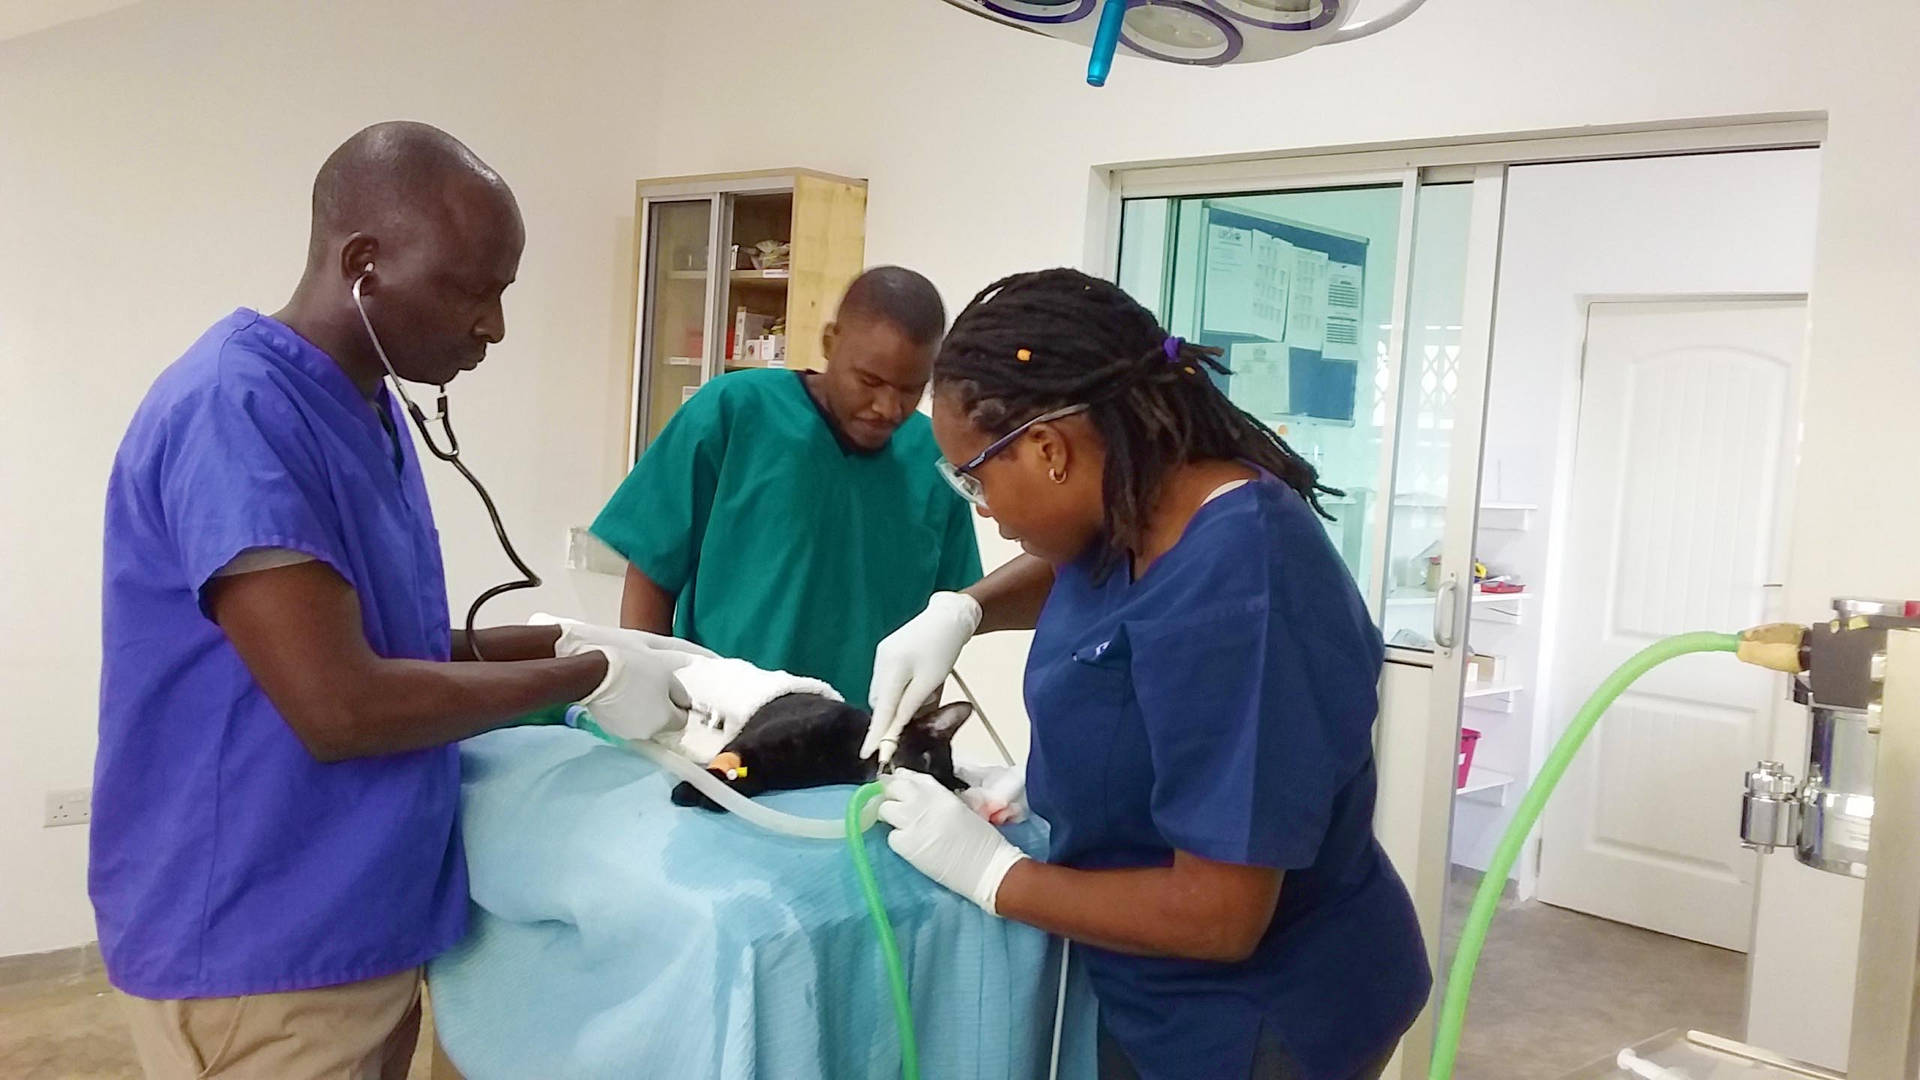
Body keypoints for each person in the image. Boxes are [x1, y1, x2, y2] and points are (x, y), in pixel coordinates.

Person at [94, 122, 704, 1080]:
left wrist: (572, 640)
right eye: (472, 289)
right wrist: (588, 677)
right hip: (261, 945)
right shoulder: (236, 410)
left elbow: (393, 647)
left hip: (360, 920)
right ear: (365, 265)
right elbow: (341, 706)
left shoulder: (361, 403)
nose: (493, 326)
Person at [864, 269, 1431, 1080]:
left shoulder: (1243, 582)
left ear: (1050, 449)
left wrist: (994, 874)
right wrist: (961, 612)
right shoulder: (1142, 501)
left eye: (975, 478)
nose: (981, 509)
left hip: (1259, 1022)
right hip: (1150, 992)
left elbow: (1220, 917)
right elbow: (1087, 580)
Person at [590, 267, 982, 709]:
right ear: (831, 343)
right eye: (869, 382)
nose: (888, 407)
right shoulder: (734, 413)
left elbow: (939, 625)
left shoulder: (933, 460)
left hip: (855, 741)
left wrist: (910, 739)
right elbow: (651, 575)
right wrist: (650, 704)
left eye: (911, 390)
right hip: (721, 720)